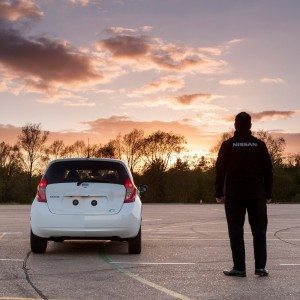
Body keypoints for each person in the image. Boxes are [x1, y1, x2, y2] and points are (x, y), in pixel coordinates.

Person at [215, 112, 273, 277]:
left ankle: (239, 268)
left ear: (235, 125)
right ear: (250, 126)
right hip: (257, 195)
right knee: (259, 231)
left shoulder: (228, 145)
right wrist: (268, 192)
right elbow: (268, 171)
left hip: (234, 195)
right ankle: (260, 268)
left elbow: (220, 170)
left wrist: (219, 192)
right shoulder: (259, 144)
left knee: (235, 231)